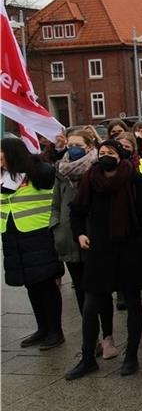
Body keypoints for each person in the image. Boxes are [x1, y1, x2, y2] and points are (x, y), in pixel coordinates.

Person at [66, 139, 142, 379]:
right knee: (91, 304)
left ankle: (131, 356)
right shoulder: (90, 178)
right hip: (99, 250)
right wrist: (80, 233)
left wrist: (139, 244)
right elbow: (76, 210)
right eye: (102, 152)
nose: (105, 156)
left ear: (120, 155)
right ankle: (87, 358)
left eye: (110, 152)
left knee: (133, 302)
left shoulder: (133, 178)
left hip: (128, 250)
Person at [52, 130, 118, 358]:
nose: (72, 148)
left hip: (95, 239)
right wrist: (57, 228)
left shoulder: (98, 170)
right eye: (69, 144)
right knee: (81, 291)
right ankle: (92, 338)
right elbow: (56, 203)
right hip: (70, 238)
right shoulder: (61, 171)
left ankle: (107, 336)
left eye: (77, 144)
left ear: (90, 147)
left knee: (100, 291)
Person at [1, 137, 65, 351]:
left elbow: (50, 175)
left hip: (38, 234)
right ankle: (42, 328)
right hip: (14, 237)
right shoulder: (3, 176)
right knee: (31, 285)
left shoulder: (38, 171)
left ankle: (56, 331)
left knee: (46, 284)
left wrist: (32, 163)